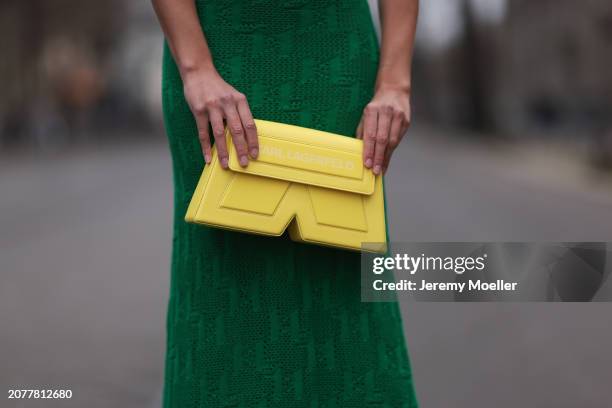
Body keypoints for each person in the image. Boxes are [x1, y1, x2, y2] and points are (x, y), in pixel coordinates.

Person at [151, 0, 419, 406]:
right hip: (214, 59)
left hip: (335, 62)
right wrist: (195, 68)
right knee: (221, 286)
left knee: (345, 279)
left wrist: (395, 83)